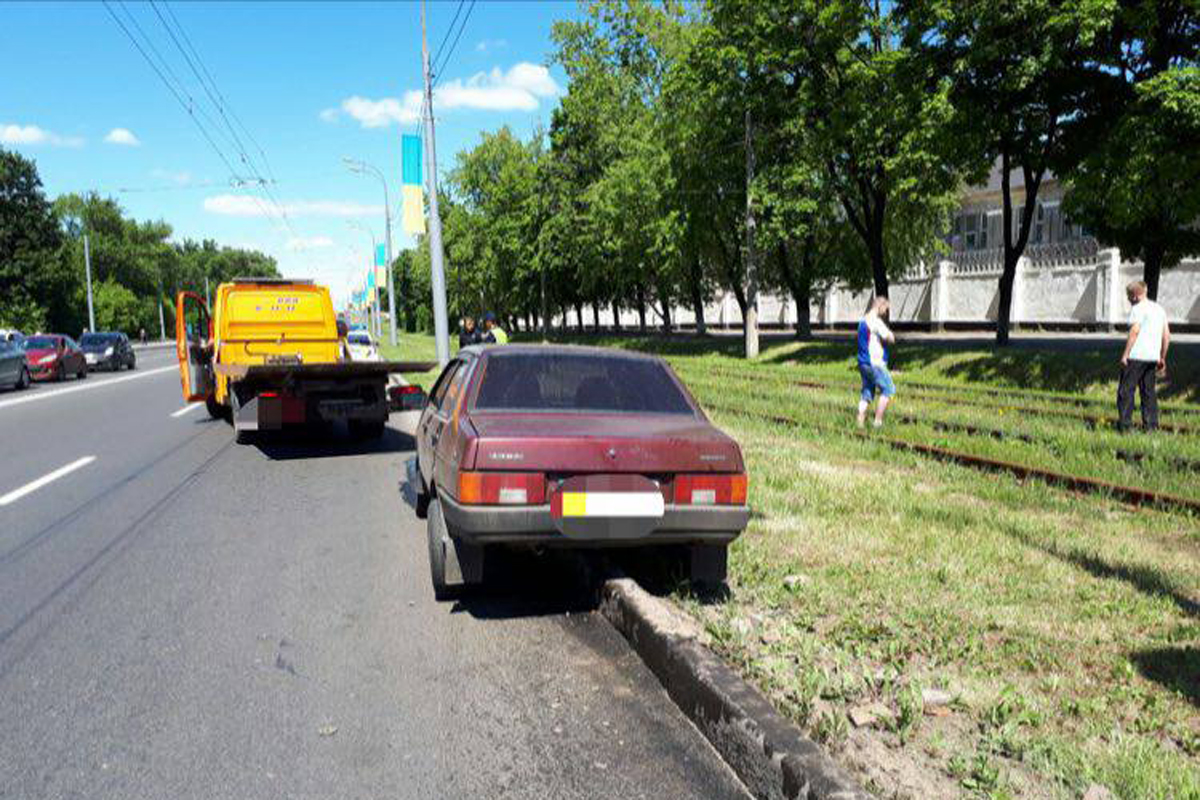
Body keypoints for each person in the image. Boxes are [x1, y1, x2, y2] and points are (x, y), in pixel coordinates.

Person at [1118, 280, 1170, 432]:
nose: (1129, 300)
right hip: (1152, 357)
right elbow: (1166, 335)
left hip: (1136, 356)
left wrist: (1125, 355)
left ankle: (1125, 427)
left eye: (1129, 297)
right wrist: (1162, 357)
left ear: (1134, 296)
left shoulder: (1137, 309)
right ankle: (1151, 426)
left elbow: (1134, 331)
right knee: (1148, 392)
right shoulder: (1159, 309)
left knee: (1126, 391)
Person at [856, 296, 896, 429]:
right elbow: (890, 338)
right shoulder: (876, 322)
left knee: (867, 392)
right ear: (880, 306)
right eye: (885, 309)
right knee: (888, 390)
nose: (885, 312)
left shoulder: (862, 321)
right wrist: (890, 336)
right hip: (875, 363)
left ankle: (860, 422)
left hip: (863, 363)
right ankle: (877, 422)